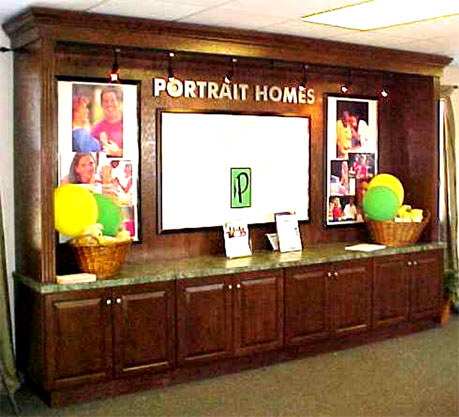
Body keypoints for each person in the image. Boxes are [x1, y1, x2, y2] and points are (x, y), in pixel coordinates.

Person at [91, 88, 123, 157]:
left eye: (112, 100)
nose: (109, 104)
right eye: (105, 101)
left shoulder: (129, 123)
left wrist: (119, 152)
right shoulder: (96, 129)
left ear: (119, 102)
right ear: (101, 105)